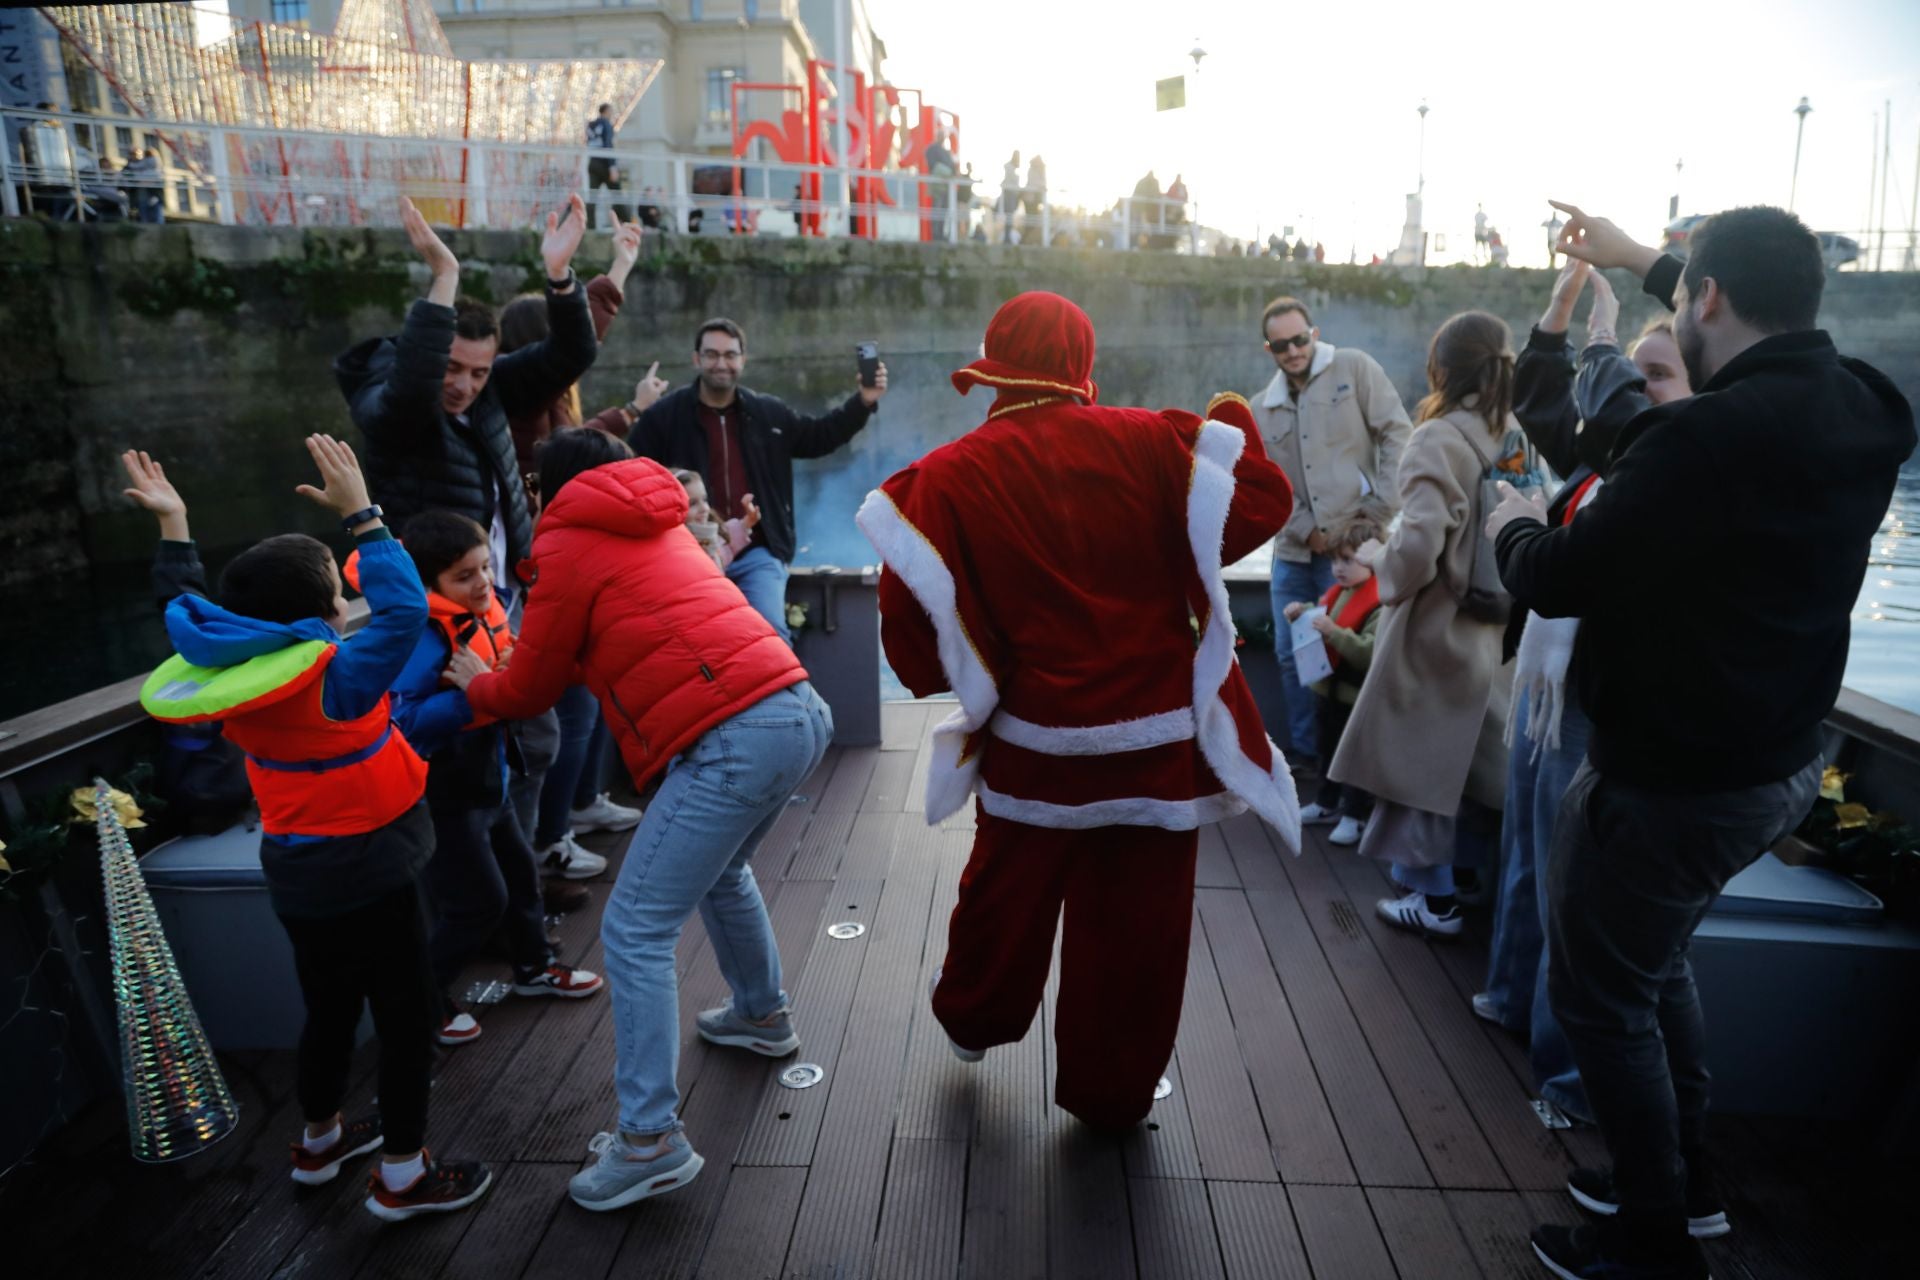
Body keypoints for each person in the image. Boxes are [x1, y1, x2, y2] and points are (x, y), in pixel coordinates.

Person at [1488, 203, 1914, 1280]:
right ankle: (1685, 1178)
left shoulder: (1698, 443)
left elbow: (1558, 575)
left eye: (1684, 292)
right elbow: (1739, 325)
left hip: (1672, 781)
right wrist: (1642, 260)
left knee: (1601, 995)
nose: (1678, 304)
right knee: (1658, 962)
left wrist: (1507, 524)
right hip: (1778, 765)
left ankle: (1653, 1238)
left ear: (1710, 301)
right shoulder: (1867, 405)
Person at [857, 292, 1300, 1130]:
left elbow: (909, 622)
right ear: (1082, 366)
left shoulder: (948, 474)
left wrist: (941, 675)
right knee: (1138, 929)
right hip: (1157, 744)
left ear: (992, 360)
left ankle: (974, 1022)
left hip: (1037, 745)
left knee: (1003, 894)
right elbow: (1259, 503)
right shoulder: (1154, 442)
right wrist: (1234, 415)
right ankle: (1111, 1094)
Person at [460, 428, 833, 1212]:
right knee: (722, 871)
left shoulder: (564, 544)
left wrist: (473, 685)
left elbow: (530, 685)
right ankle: (761, 1014)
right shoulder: (660, 522)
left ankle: (649, 1141)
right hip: (797, 710)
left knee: (632, 928)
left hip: (733, 738)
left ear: (544, 490)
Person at [137, 435, 491, 1222]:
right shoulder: (337, 677)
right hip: (375, 869)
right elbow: (400, 612)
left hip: (297, 874)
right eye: (336, 594)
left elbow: (187, 616)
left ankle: (320, 1140)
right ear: (324, 613)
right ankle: (403, 1176)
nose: (344, 605)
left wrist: (174, 529)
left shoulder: (227, 676)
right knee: (405, 1020)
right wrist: (362, 513)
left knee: (328, 1009)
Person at [1478, 258, 1692, 1134]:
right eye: (1632, 375)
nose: (1635, 391)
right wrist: (1564, 316)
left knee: (1573, 889)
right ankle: (1505, 995)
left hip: (1596, 704)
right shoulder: (1618, 457)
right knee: (1528, 853)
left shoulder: (1675, 475)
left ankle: (1565, 1081)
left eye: (1659, 376)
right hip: (1548, 690)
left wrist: (1519, 529)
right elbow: (1546, 405)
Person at [363, 511, 605, 1047]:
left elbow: (500, 671)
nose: (481, 583)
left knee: (522, 879)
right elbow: (401, 723)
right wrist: (470, 694)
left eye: (483, 567)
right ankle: (424, 1000)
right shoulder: (419, 639)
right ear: (429, 585)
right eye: (464, 576)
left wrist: (508, 670)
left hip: (490, 777)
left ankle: (534, 966)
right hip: (444, 794)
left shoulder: (482, 613)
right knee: (477, 904)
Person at [1327, 311, 1522, 939]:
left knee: (1418, 772)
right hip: (1491, 627)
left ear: (1442, 365)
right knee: (1468, 770)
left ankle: (1432, 900)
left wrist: (1379, 562)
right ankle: (1461, 886)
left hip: (1435, 628)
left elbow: (1416, 550)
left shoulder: (1437, 437)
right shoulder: (1512, 434)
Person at [627, 318, 887, 642]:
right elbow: (627, 467)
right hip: (689, 552)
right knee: (689, 642)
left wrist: (863, 400)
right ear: (696, 359)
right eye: (711, 355)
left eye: (730, 355)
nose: (721, 363)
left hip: (758, 552)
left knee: (771, 634)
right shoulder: (666, 416)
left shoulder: (768, 413)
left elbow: (820, 436)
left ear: (742, 360)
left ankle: (778, 693)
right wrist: (633, 409)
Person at [1251, 296, 1413, 773]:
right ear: (1270, 350)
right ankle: (1308, 757)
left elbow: (1398, 434)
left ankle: (1353, 763)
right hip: (1295, 555)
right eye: (1282, 346)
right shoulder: (1263, 409)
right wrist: (1305, 529)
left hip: (1356, 553)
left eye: (1299, 340)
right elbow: (1264, 483)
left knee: (1355, 657)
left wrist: (1377, 514)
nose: (1293, 351)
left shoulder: (1355, 369)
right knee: (1290, 655)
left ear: (1314, 335)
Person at [1282, 499, 1390, 847]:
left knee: (1355, 760)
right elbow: (1324, 614)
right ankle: (1327, 802)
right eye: (1335, 561)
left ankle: (1354, 815)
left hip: (1354, 698)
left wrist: (1333, 633)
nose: (1338, 569)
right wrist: (1302, 612)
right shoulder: (1339, 594)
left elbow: (1369, 651)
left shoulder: (1379, 604)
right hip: (1327, 694)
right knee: (1327, 751)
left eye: (1347, 560)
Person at [673, 468, 760, 570]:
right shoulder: (677, 545)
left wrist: (748, 521)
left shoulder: (714, 534)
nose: (704, 508)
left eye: (705, 500)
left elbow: (727, 541)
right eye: (692, 503)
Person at [586, 103, 618, 230]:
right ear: (606, 111)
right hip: (604, 163)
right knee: (617, 193)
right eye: (611, 111)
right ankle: (628, 223)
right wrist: (612, 166)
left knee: (593, 196)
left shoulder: (591, 125)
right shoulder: (606, 124)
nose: (612, 114)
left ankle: (591, 226)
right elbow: (608, 144)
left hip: (593, 162)